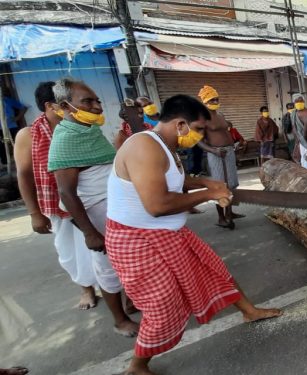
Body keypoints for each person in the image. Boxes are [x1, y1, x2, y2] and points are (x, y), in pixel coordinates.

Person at [106, 94, 282, 375]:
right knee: (161, 307)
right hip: (138, 240)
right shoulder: (143, 147)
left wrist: (202, 181)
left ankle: (249, 311)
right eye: (199, 129)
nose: (201, 135)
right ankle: (137, 366)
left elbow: (168, 179)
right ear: (180, 124)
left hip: (168, 233)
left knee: (214, 270)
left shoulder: (165, 145)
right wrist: (208, 193)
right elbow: (157, 205)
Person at [47, 77, 139, 336]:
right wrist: (89, 232)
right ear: (65, 106)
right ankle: (119, 320)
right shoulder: (65, 140)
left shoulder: (89, 132)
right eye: (87, 101)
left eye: (97, 100)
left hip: (118, 209)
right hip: (99, 216)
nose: (98, 106)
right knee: (107, 268)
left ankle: (132, 302)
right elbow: (66, 192)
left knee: (129, 261)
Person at [14, 81, 99, 310]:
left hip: (89, 198)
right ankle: (86, 288)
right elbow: (24, 175)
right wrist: (34, 214)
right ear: (50, 106)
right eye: (65, 102)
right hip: (56, 204)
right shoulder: (29, 135)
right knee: (70, 250)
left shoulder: (82, 126)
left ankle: (113, 287)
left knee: (101, 244)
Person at [196, 85, 243, 229]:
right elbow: (198, 141)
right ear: (204, 101)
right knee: (219, 186)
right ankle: (221, 218)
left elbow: (227, 132)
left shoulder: (220, 115)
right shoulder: (202, 119)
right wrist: (213, 151)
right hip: (216, 154)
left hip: (229, 152)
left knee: (232, 185)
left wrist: (235, 145)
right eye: (212, 99)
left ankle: (230, 212)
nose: (215, 101)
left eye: (216, 98)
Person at [1, 87, 28, 167]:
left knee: (17, 143)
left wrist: (17, 118)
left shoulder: (7, 100)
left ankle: (22, 161)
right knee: (3, 144)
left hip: (12, 127)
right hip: (1, 129)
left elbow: (23, 108)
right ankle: (5, 163)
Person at [290, 94, 307, 172]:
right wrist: (297, 142)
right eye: (297, 101)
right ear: (294, 103)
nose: (299, 102)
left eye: (300, 100)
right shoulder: (293, 114)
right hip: (302, 143)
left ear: (304, 101)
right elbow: (294, 128)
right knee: (305, 162)